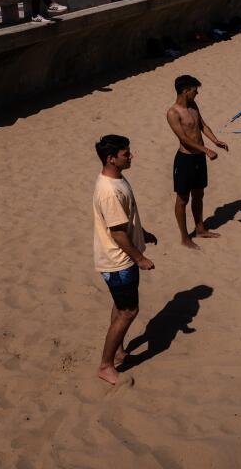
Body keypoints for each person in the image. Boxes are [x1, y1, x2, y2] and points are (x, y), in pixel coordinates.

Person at [92, 134, 156, 385]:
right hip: (119, 262)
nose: (131, 156)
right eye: (126, 154)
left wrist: (143, 233)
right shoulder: (109, 191)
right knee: (129, 311)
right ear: (111, 158)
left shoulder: (115, 179)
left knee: (120, 307)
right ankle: (106, 365)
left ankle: (117, 351)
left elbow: (124, 221)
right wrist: (140, 258)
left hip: (119, 259)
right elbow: (117, 233)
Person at [165, 75, 228, 249]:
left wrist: (215, 141)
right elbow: (184, 139)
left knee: (199, 194)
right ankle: (185, 237)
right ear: (185, 91)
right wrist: (206, 150)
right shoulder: (173, 113)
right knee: (182, 198)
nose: (197, 93)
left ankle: (200, 228)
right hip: (185, 159)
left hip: (199, 158)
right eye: (195, 90)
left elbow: (202, 125)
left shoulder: (193, 106)